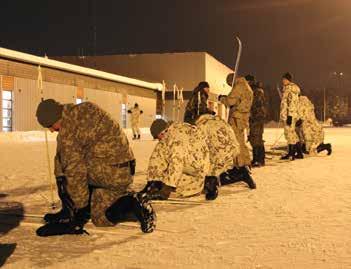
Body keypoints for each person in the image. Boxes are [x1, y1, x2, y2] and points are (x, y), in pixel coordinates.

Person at [35, 99, 155, 236]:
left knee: (67, 167)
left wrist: (78, 214)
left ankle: (73, 211)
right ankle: (131, 204)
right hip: (122, 168)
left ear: (57, 117)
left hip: (109, 172)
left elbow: (74, 171)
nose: (51, 130)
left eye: (51, 126)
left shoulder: (68, 130)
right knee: (99, 213)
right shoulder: (82, 109)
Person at [140, 119, 213, 200]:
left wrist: (166, 190)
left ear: (163, 132)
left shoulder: (177, 138)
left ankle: (206, 184)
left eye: (158, 137)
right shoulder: (170, 133)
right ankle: (154, 183)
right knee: (160, 148)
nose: (159, 139)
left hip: (198, 167)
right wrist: (152, 181)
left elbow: (177, 162)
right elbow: (157, 156)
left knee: (179, 187)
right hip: (189, 161)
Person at [195, 114, 256, 197]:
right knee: (215, 168)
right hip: (232, 150)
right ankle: (239, 172)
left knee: (210, 171)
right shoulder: (220, 121)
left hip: (220, 153)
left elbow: (199, 144)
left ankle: (240, 175)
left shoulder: (202, 126)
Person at [219, 75, 253, 170]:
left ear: (232, 81)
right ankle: (246, 162)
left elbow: (230, 101)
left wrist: (222, 98)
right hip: (243, 118)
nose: (230, 86)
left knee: (236, 142)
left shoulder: (239, 86)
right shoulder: (247, 86)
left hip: (236, 118)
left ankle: (241, 165)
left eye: (230, 84)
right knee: (241, 141)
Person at [279, 72, 304, 160]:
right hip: (290, 115)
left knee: (290, 134)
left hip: (290, 115)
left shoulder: (291, 89)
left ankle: (291, 153)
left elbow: (292, 103)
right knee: (291, 134)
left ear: (288, 80)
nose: (283, 81)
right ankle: (299, 153)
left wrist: (289, 116)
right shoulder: (287, 88)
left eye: (284, 79)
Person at [246, 76, 266, 167]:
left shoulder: (257, 91)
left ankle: (259, 159)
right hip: (255, 117)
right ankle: (258, 159)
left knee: (256, 138)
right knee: (255, 138)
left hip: (257, 118)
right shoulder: (255, 90)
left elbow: (255, 104)